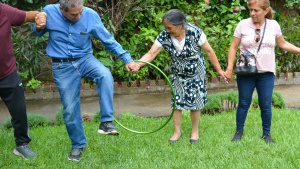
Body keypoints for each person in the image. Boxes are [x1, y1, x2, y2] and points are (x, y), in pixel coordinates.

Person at [32, 0, 136, 161]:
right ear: (62, 10)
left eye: (80, 12)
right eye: (74, 14)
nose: (79, 16)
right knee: (70, 108)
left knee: (105, 75)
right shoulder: (49, 11)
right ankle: (77, 145)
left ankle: (106, 122)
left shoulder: (90, 15)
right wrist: (38, 26)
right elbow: (37, 32)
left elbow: (107, 39)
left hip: (85, 59)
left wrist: (126, 59)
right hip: (62, 66)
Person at [132, 9, 226, 144]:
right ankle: (177, 132)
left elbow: (209, 51)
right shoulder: (164, 35)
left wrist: (219, 70)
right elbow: (151, 53)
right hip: (178, 73)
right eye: (165, 27)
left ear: (180, 24)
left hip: (196, 72)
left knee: (195, 102)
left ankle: (195, 131)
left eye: (169, 27)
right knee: (177, 102)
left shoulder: (195, 32)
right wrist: (138, 65)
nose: (167, 30)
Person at [225, 0, 300, 144]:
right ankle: (239, 131)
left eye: (256, 10)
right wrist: (229, 69)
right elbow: (233, 47)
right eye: (251, 10)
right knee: (243, 103)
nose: (252, 13)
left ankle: (267, 134)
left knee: (265, 104)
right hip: (246, 72)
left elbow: (282, 43)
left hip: (266, 73)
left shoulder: (273, 25)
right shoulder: (242, 25)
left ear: (266, 10)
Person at [0, 3, 46, 159]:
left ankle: (22, 145)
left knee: (19, 111)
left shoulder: (3, 11)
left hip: (7, 73)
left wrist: (40, 16)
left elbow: (28, 15)